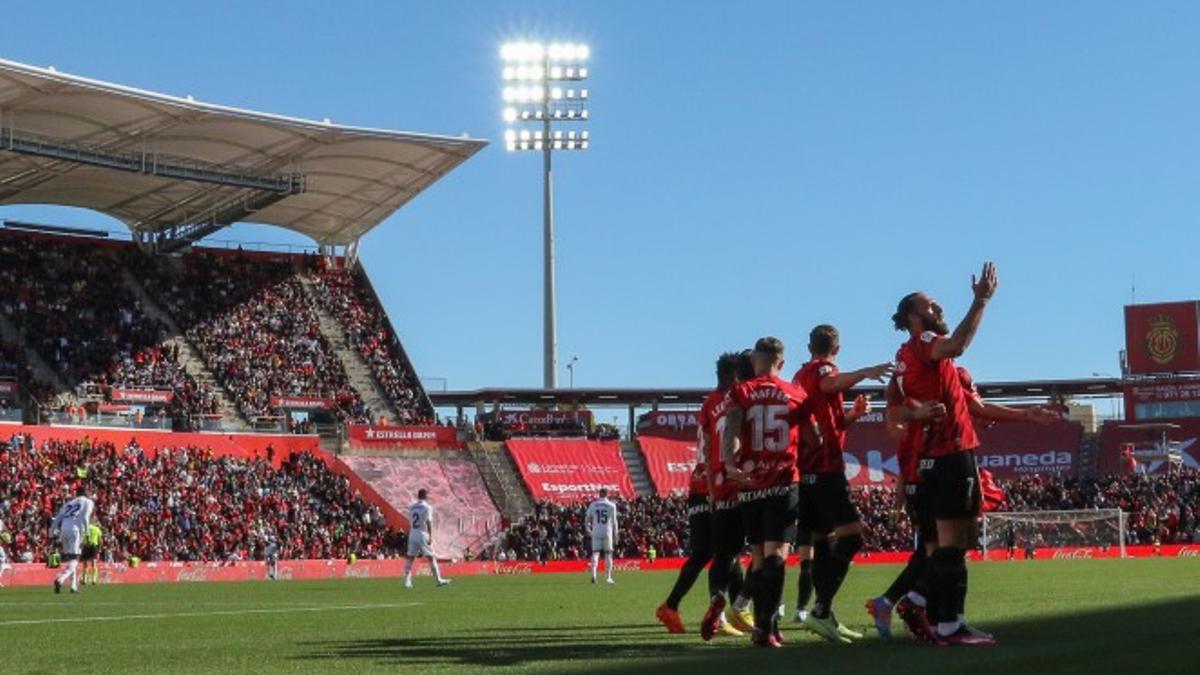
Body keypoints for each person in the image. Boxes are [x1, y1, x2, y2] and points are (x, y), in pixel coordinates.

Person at [888, 262, 998, 646]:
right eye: (931, 306)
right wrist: (981, 301)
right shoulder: (923, 346)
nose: (939, 310)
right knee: (955, 544)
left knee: (945, 544)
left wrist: (914, 414)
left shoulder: (904, 359)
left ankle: (928, 610)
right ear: (913, 318)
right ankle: (945, 622)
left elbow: (894, 413)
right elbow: (959, 344)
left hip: (931, 459)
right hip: (949, 453)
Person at [791, 324, 893, 643]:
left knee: (822, 541)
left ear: (808, 345)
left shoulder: (798, 376)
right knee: (852, 536)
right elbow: (830, 381)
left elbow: (828, 421)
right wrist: (865, 371)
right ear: (837, 350)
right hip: (825, 468)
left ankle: (826, 616)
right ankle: (821, 610)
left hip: (807, 470)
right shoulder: (823, 369)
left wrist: (852, 416)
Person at [722, 336, 817, 648]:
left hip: (749, 483)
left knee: (760, 556)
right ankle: (767, 627)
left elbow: (733, 431)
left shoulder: (742, 391)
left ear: (754, 362)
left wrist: (731, 464)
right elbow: (814, 438)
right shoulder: (795, 393)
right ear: (782, 362)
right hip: (782, 481)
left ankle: (762, 628)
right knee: (777, 554)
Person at [696, 351, 756, 640]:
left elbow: (707, 449)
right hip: (747, 478)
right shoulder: (745, 396)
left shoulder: (708, 403)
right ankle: (745, 605)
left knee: (725, 555)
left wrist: (710, 487)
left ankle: (717, 604)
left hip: (720, 482)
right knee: (766, 549)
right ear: (736, 376)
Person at [51, 484, 94, 594]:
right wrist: (87, 534)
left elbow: (58, 518)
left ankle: (73, 586)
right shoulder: (88, 502)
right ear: (85, 492)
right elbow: (85, 517)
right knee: (75, 558)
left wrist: (52, 531)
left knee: (71, 560)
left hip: (64, 530)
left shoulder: (69, 503)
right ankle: (61, 579)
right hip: (75, 531)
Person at [404, 489, 451, 588]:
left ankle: (407, 582)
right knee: (431, 557)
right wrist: (430, 536)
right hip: (422, 533)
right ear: (426, 496)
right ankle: (438, 580)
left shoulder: (412, 507)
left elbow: (410, 519)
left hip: (413, 532)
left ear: (418, 496)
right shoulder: (427, 507)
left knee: (410, 557)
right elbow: (428, 522)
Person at [586, 488, 618, 584]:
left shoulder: (593, 505)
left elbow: (587, 518)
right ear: (607, 494)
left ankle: (593, 575)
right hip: (607, 532)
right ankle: (608, 577)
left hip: (596, 531)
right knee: (608, 554)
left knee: (595, 553)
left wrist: (588, 529)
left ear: (599, 494)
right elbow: (614, 522)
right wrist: (616, 534)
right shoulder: (612, 505)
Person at [81, 521, 102, 585]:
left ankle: (84, 580)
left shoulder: (85, 528)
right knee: (94, 562)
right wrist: (99, 549)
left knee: (85, 563)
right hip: (94, 546)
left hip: (86, 546)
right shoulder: (97, 529)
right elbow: (100, 540)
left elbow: (82, 538)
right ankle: (94, 580)